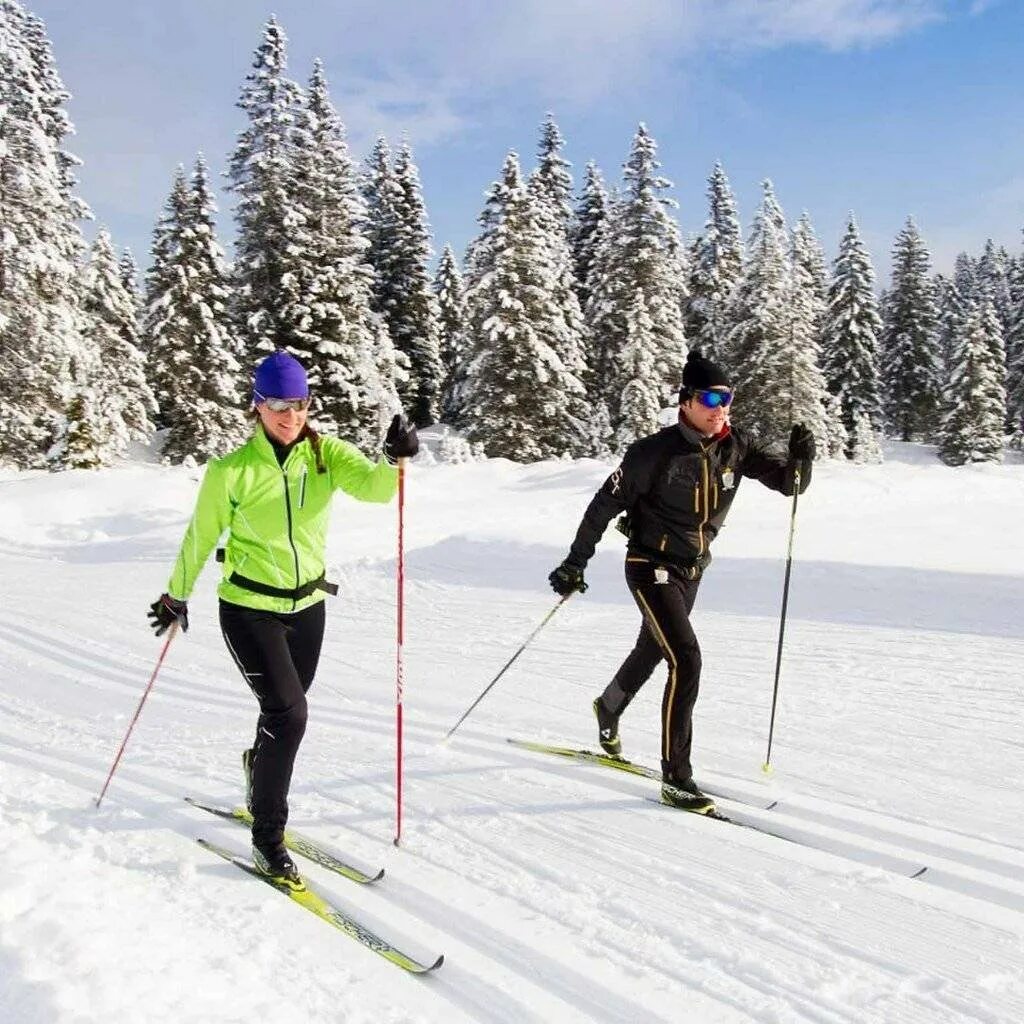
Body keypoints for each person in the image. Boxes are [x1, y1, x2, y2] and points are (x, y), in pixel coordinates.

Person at [148, 350, 418, 880]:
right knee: (289, 715)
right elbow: (200, 537)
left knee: (282, 714)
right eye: (276, 404)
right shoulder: (232, 472)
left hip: (308, 607)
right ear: (256, 406)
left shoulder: (326, 454)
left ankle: (257, 767)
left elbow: (376, 490)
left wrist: (394, 458)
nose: (289, 416)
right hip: (249, 608)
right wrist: (175, 595)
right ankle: (267, 837)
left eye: (298, 404)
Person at [548, 349, 814, 814]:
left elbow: (788, 484)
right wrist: (575, 563)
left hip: (692, 570)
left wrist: (801, 461)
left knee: (654, 649)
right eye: (710, 398)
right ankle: (677, 777)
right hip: (650, 566)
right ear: (686, 401)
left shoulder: (736, 446)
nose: (719, 408)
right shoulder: (653, 453)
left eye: (726, 398)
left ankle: (608, 707)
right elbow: (601, 507)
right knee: (686, 660)